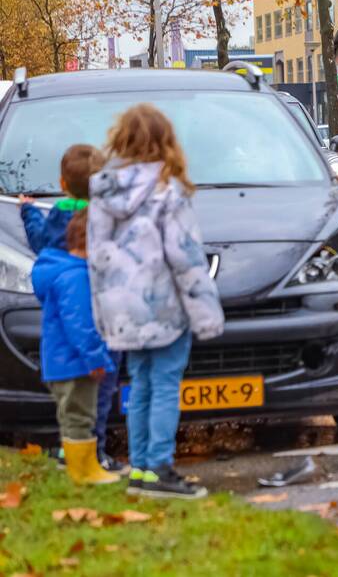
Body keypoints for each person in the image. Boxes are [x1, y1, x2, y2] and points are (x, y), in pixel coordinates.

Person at [88, 103, 224, 500]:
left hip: (122, 310)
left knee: (141, 385)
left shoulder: (103, 190)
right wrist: (206, 313)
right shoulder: (168, 191)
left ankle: (141, 469)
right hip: (162, 306)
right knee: (164, 384)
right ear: (166, 141)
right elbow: (185, 258)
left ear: (122, 139)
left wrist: (104, 313)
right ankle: (159, 467)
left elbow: (96, 258)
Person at [19, 144, 125, 475]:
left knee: (78, 403)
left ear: (62, 184)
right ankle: (94, 454)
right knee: (100, 394)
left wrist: (29, 211)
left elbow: (39, 242)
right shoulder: (106, 216)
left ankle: (81, 451)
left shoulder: (58, 217)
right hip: (105, 317)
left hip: (71, 330)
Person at [30, 210, 119, 485]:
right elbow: (80, 324)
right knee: (81, 417)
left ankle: (82, 465)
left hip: (61, 362)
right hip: (76, 363)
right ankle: (83, 471)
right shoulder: (76, 277)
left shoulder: (57, 268)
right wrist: (96, 358)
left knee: (72, 417)